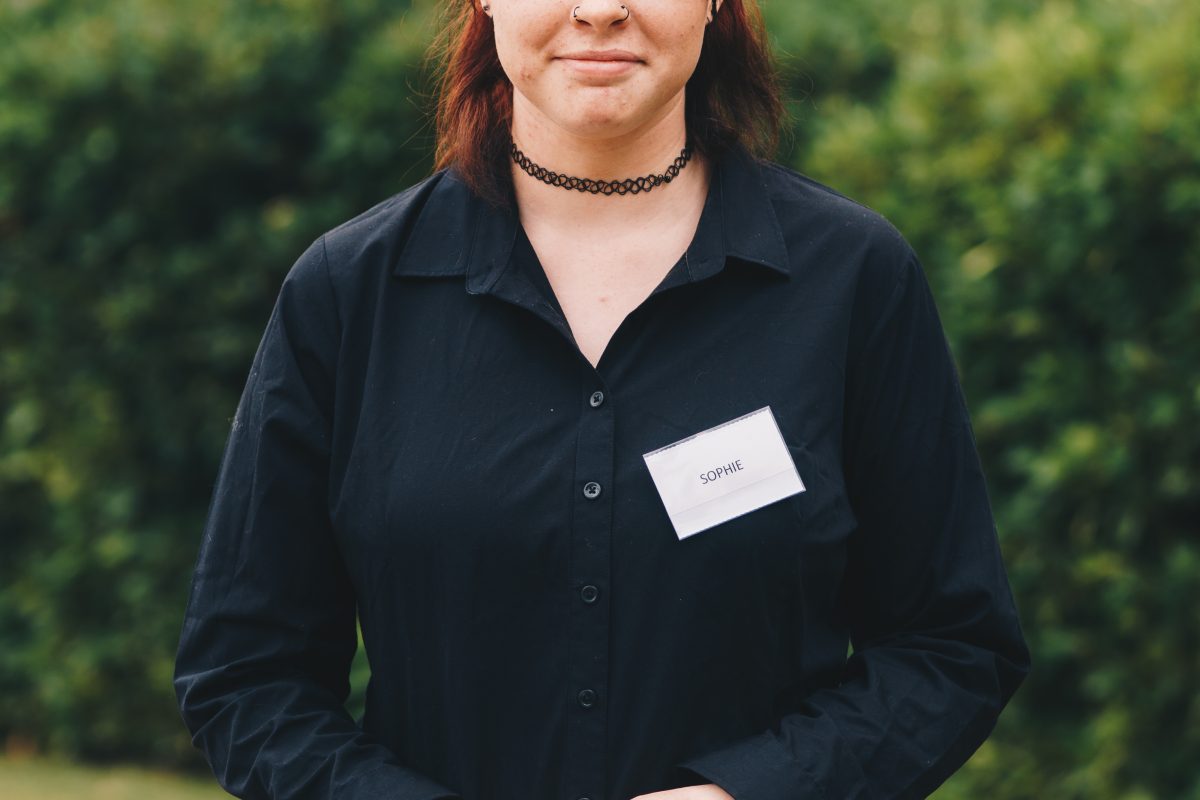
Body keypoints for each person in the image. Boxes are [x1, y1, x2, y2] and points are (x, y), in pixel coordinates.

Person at [173, 1, 1032, 798]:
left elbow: (951, 645)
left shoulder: (852, 279)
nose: (599, 9)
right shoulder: (347, 293)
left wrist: (751, 792)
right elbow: (247, 677)